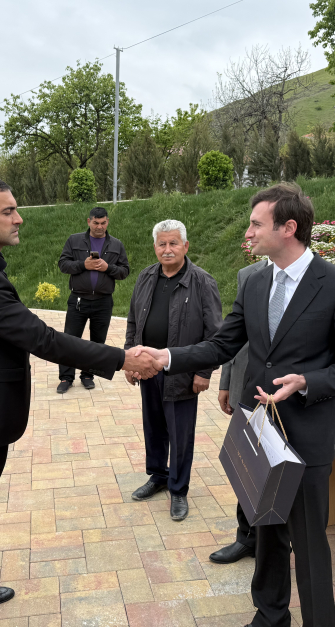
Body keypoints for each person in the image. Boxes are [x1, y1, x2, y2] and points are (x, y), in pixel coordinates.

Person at [137, 183, 335, 627]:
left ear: (289, 228)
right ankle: (269, 617)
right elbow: (222, 343)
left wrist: (308, 381)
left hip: (305, 436)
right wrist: (166, 357)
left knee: (308, 544)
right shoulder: (254, 281)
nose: (248, 232)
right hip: (260, 430)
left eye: (255, 224)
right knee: (266, 533)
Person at [0, 176, 161, 627]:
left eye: (16, 209)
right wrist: (121, 359)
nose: (19, 218)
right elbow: (42, 339)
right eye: (7, 211)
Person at [124, 219, 223, 521]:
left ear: (185, 246)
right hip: (148, 368)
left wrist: (204, 372)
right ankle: (158, 476)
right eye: (162, 244)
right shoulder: (146, 277)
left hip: (182, 372)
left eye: (173, 243)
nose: (167, 249)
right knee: (153, 427)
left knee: (180, 434)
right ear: (155, 247)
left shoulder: (202, 282)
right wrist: (129, 357)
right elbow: (133, 320)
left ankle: (178, 489)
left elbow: (215, 333)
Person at [210, 257, 268, 564]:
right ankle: (246, 538)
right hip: (247, 385)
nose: (249, 235)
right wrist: (226, 382)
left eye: (256, 231)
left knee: (279, 469)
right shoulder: (249, 274)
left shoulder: (319, 275)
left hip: (287, 394)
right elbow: (234, 334)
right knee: (248, 465)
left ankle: (275, 541)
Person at [57, 206, 130, 392]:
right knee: (69, 341)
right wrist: (84, 265)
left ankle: (88, 375)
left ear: (108, 222)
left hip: (103, 302)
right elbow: (63, 264)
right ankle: (66, 378)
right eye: (96, 223)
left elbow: (124, 271)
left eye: (103, 223)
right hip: (78, 300)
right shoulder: (74, 240)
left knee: (97, 343)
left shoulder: (116, 245)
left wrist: (108, 268)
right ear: (89, 221)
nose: (99, 226)